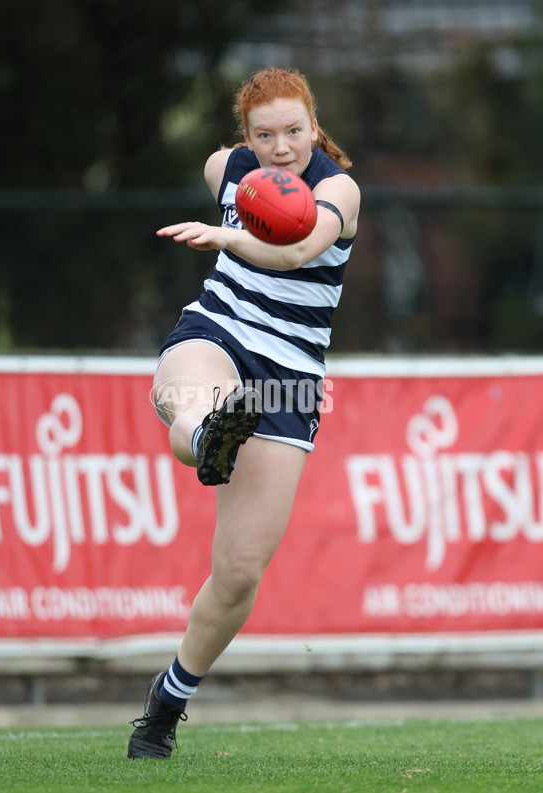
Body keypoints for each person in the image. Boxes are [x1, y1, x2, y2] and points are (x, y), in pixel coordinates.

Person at [127, 66, 360, 759]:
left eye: (294, 131)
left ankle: (164, 708)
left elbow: (297, 251)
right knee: (190, 399)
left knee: (238, 572)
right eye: (265, 135)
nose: (281, 146)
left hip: (287, 377)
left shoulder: (338, 189)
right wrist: (225, 230)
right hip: (220, 331)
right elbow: (227, 189)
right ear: (246, 137)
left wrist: (226, 237)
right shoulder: (223, 169)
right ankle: (208, 433)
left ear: (313, 127)